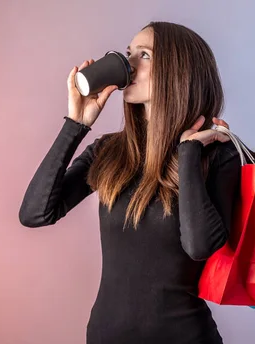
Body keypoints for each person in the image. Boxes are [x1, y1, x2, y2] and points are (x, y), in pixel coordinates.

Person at [19, 21, 241, 344]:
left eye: (145, 55)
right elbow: (35, 213)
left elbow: (199, 246)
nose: (128, 64)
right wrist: (76, 124)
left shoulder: (217, 156)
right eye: (128, 54)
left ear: (178, 71)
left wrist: (189, 152)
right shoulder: (109, 152)